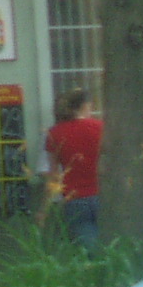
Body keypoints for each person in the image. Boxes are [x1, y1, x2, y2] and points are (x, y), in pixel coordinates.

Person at [40, 88, 103, 246]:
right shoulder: (100, 127)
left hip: (74, 200)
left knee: (87, 250)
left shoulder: (54, 134)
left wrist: (44, 210)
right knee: (112, 248)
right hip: (102, 195)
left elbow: (53, 177)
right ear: (85, 106)